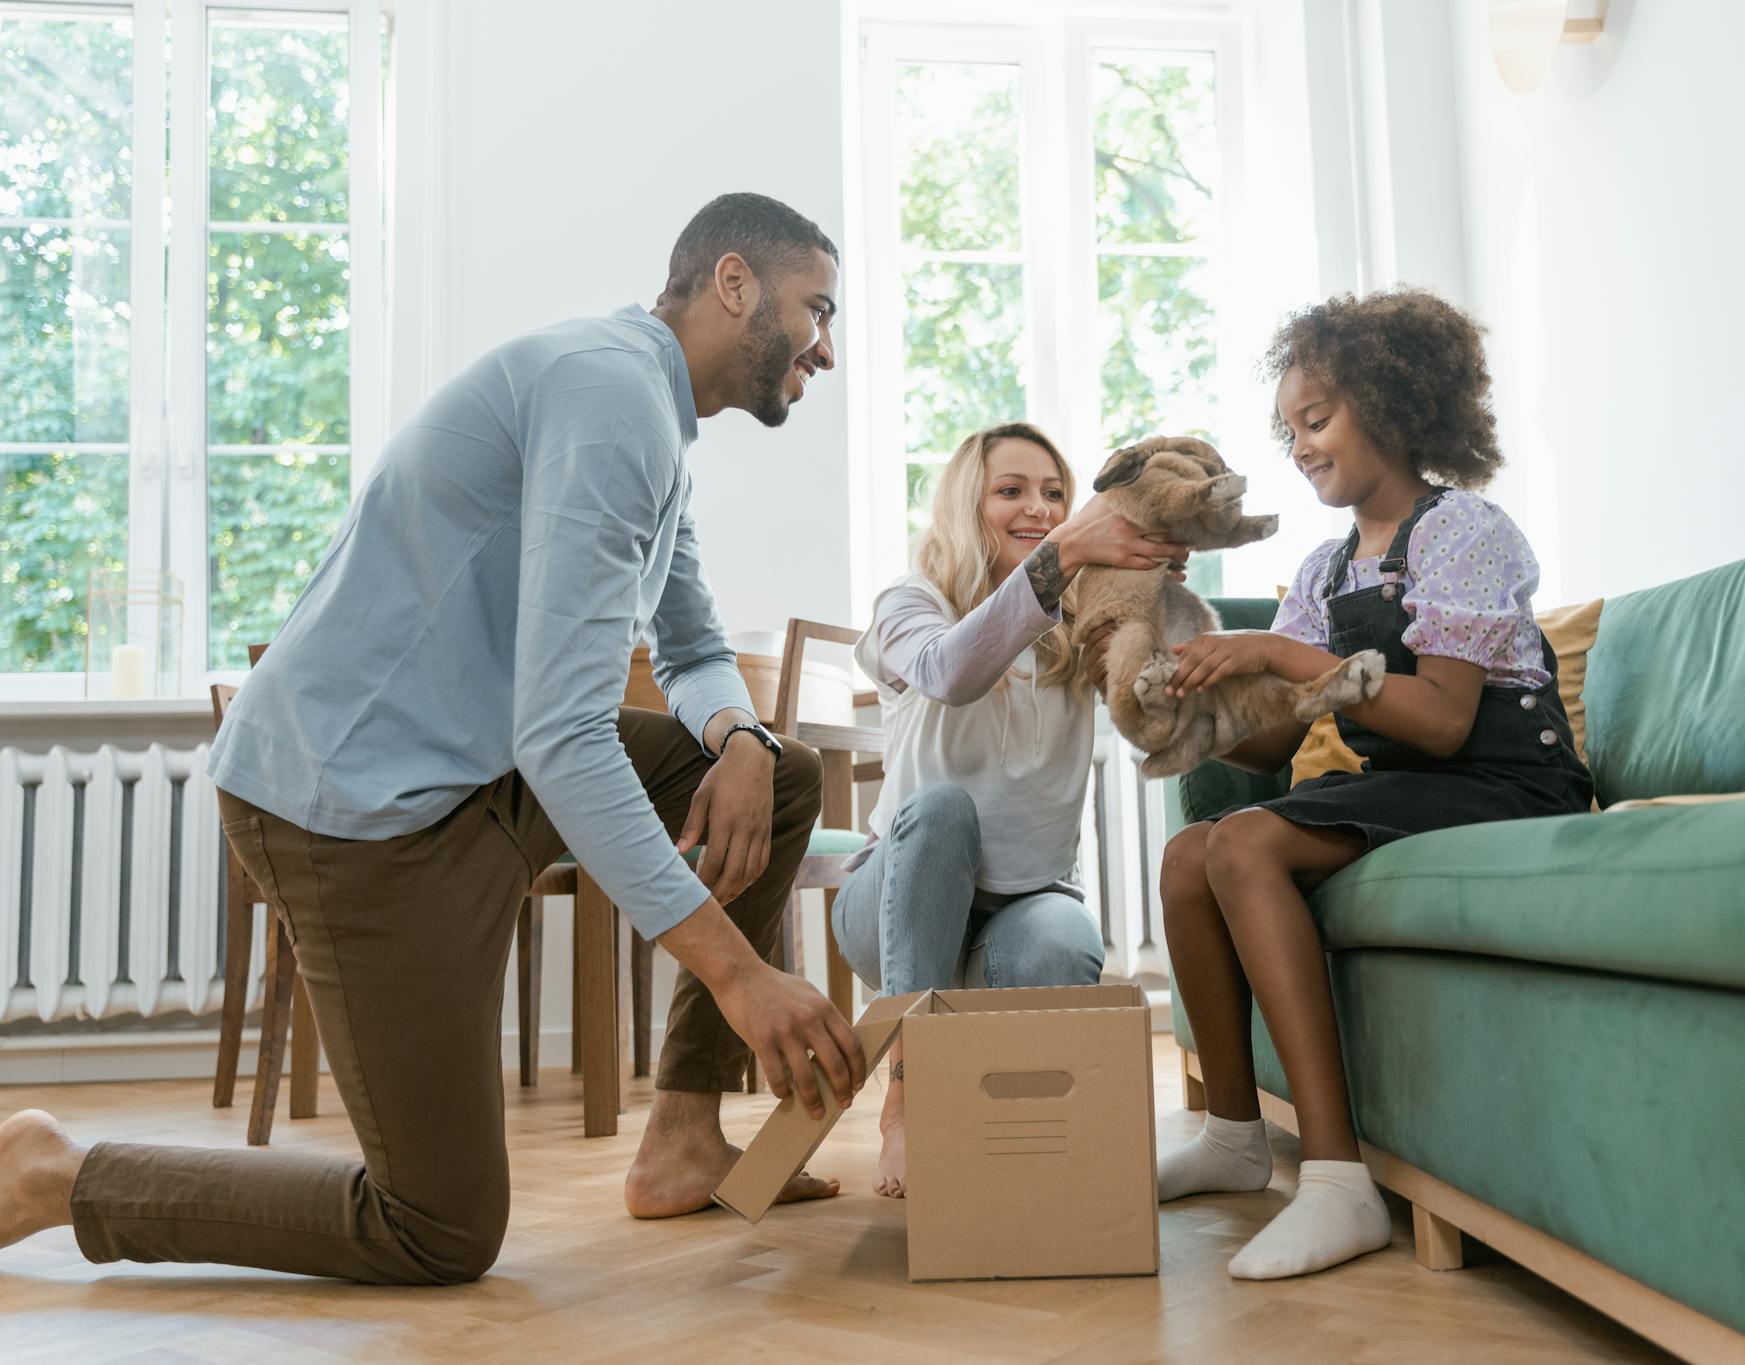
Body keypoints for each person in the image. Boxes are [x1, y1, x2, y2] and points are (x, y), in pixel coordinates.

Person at [0, 192, 870, 1285]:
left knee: (779, 776)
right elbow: (565, 735)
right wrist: (743, 979)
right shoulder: (608, 398)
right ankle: (57, 1174)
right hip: (348, 813)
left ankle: (684, 1139)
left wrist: (740, 734)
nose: (824, 349)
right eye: (816, 310)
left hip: (476, 775)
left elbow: (692, 645)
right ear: (734, 283)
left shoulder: (647, 417)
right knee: (438, 1227)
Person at [1143, 288, 1594, 1280]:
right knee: (1189, 856)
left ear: (1391, 406)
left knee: (1248, 843)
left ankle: (1339, 1183)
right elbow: (1267, 752)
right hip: (1421, 787)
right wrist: (1187, 700)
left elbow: (1437, 720)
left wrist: (1275, 651)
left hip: (1505, 783)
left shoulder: (1464, 533)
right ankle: (1230, 1137)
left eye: (1317, 419)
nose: (1299, 447)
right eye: (1289, 429)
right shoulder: (1325, 567)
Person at [837, 421, 1185, 1197]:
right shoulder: (911, 602)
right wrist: (1062, 554)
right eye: (1012, 490)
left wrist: (1159, 587)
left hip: (1019, 911)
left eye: (1056, 494)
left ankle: (1008, 1142)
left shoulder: (1076, 623)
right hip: (898, 907)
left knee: (1064, 945)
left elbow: (1152, 694)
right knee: (941, 811)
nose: (1038, 506)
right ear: (971, 502)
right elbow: (949, 671)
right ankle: (908, 1095)